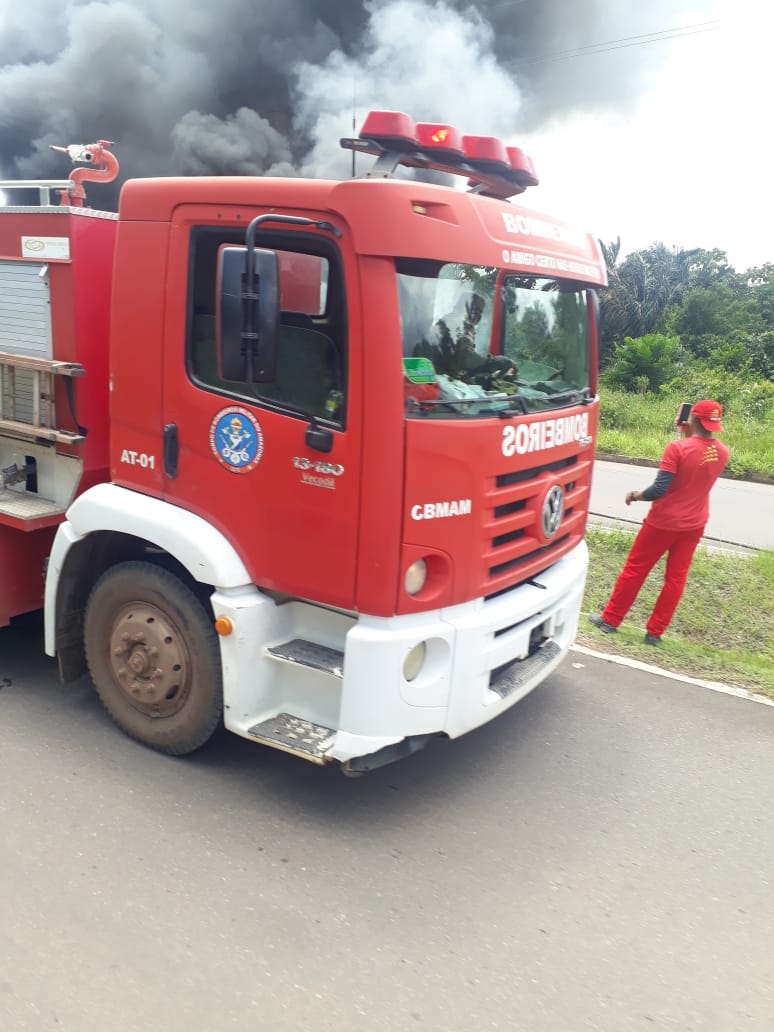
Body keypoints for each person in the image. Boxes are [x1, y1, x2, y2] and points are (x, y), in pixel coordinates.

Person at [588, 399, 729, 645]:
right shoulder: (722, 452)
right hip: (694, 524)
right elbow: (699, 457)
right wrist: (687, 433)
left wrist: (635, 495)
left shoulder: (677, 449)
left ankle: (610, 620)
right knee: (676, 578)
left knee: (635, 570)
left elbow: (659, 490)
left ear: (692, 418)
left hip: (663, 523)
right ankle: (655, 633)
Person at [414, 292, 517, 384]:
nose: (478, 316)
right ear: (464, 307)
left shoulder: (462, 325)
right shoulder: (453, 323)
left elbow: (458, 361)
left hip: (439, 377)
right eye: (475, 310)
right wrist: (494, 362)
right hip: (427, 380)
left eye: (480, 312)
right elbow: (466, 357)